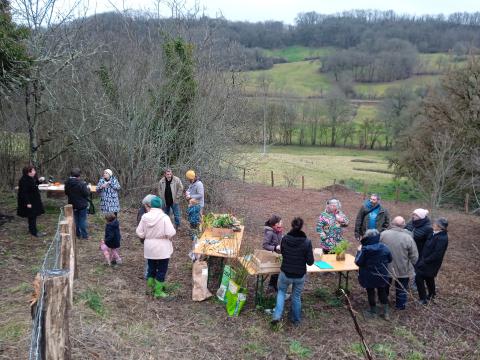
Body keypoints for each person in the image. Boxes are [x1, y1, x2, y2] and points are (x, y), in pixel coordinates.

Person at [271, 217, 314, 326]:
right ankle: (296, 320)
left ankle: (277, 315)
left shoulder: (285, 239)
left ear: (292, 225)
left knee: (281, 292)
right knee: (296, 296)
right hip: (299, 275)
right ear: (301, 227)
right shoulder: (307, 242)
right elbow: (310, 262)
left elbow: (283, 253)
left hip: (285, 272)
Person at [136, 196, 176, 299]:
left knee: (151, 267)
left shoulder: (145, 217)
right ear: (161, 206)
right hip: (162, 248)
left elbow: (139, 232)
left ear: (151, 205)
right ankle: (158, 291)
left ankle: (150, 288)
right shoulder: (164, 217)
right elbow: (171, 232)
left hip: (149, 247)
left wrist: (146, 236)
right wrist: (167, 236)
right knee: (162, 269)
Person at [380, 216, 418, 310]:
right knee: (401, 288)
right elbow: (414, 256)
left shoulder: (383, 234)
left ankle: (383, 303)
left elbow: (377, 248)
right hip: (403, 268)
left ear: (392, 224)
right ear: (404, 225)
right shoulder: (408, 237)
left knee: (384, 286)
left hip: (385, 267)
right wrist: (413, 265)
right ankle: (400, 306)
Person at [355, 229, 392, 320]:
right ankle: (386, 313)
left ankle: (373, 312)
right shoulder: (384, 247)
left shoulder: (365, 249)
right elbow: (390, 259)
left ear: (368, 237)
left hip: (368, 275)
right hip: (381, 274)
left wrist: (359, 251)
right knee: (382, 291)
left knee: (370, 291)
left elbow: (358, 262)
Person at [415, 217, 449, 305]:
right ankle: (432, 294)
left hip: (431, 263)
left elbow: (437, 254)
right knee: (429, 278)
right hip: (425, 260)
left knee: (419, 277)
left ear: (440, 227)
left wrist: (425, 261)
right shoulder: (433, 233)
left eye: (435, 224)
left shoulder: (442, 238)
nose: (433, 225)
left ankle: (423, 299)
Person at [17, 165, 45, 237]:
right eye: (33, 170)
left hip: (34, 200)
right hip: (30, 201)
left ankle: (32, 230)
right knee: (32, 216)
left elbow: (34, 185)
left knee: (32, 216)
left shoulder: (30, 178)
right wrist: (27, 203)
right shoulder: (24, 180)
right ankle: (34, 232)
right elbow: (23, 193)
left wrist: (39, 181)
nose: (35, 172)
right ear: (28, 172)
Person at [65, 168, 90, 239]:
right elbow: (86, 194)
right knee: (82, 220)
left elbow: (66, 192)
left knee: (76, 220)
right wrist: (88, 189)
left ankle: (78, 234)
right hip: (82, 205)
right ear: (79, 175)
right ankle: (84, 236)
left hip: (72, 204)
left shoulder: (67, 182)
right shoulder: (81, 183)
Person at [137, 194, 156, 279]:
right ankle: (147, 274)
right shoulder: (143, 213)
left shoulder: (149, 211)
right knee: (149, 257)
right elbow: (140, 228)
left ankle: (150, 273)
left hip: (151, 239)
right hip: (147, 239)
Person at [263, 215, 283, 292]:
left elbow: (278, 239)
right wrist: (275, 247)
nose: (282, 223)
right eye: (280, 222)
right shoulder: (269, 232)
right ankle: (271, 286)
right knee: (275, 270)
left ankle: (273, 286)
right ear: (276, 224)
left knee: (277, 271)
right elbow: (265, 245)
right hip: (272, 255)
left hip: (278, 254)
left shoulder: (278, 230)